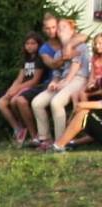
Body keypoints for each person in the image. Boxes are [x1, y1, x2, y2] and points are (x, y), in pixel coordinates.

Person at [31, 18, 89, 149]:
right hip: (64, 80)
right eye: (59, 28)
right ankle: (45, 139)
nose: (59, 30)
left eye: (64, 28)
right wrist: (54, 81)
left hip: (78, 79)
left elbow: (76, 66)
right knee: (37, 102)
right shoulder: (59, 52)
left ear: (72, 31)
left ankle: (61, 142)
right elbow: (57, 72)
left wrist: (65, 82)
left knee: (56, 102)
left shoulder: (80, 46)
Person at [0, 32, 44, 145]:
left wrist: (16, 90)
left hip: (33, 87)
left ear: (38, 45)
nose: (30, 46)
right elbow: (19, 78)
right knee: (1, 103)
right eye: (27, 43)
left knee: (14, 101)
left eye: (33, 43)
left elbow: (35, 80)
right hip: (22, 87)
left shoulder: (39, 59)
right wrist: (10, 90)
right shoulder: (26, 60)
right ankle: (18, 128)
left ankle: (33, 134)